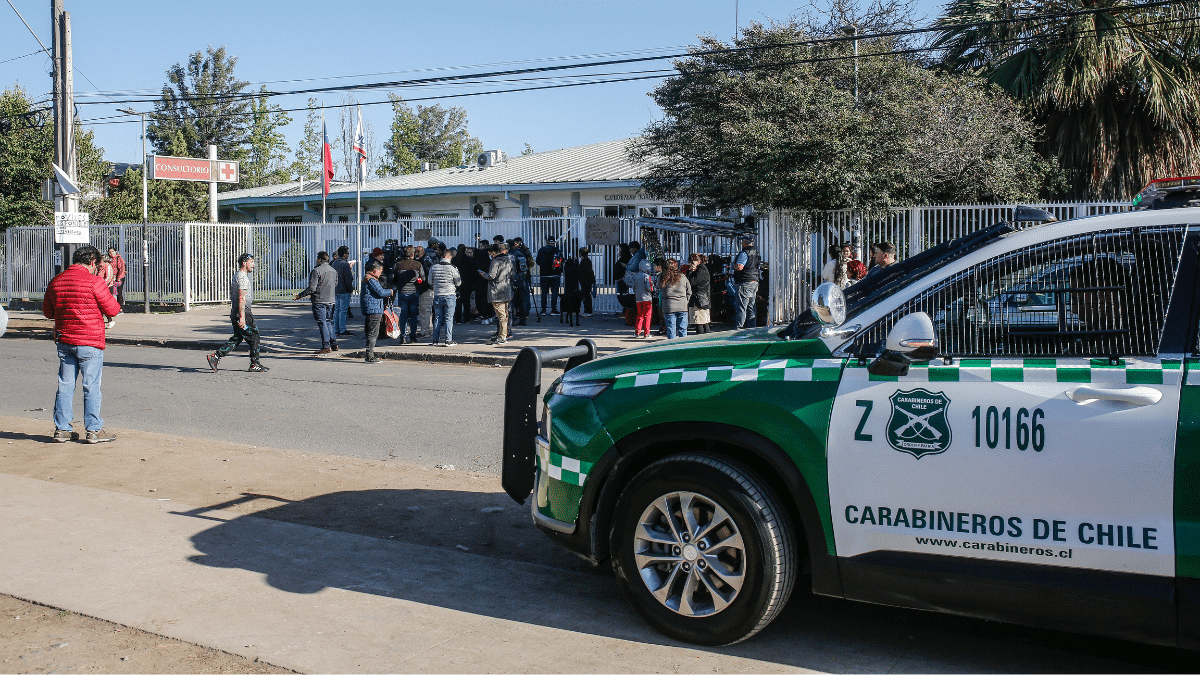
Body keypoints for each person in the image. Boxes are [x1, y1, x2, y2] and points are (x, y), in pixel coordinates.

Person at [42, 244, 121, 443]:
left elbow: (48, 312)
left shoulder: (56, 282)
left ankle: (62, 430)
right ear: (93, 262)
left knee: (65, 385)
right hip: (90, 341)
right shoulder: (94, 282)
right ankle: (93, 430)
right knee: (91, 386)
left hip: (65, 340)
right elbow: (112, 309)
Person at [208, 253, 268, 373]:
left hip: (236, 312)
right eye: (251, 262)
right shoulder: (242, 277)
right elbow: (241, 298)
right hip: (242, 313)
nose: (253, 265)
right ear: (244, 263)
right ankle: (254, 364)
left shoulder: (238, 275)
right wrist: (242, 317)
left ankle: (215, 357)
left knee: (238, 338)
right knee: (255, 336)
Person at [294, 251, 339, 354]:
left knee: (322, 323)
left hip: (320, 300)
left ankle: (326, 346)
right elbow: (335, 284)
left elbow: (312, 288)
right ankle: (334, 343)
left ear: (319, 259)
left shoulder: (316, 271)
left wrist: (300, 295)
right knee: (328, 322)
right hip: (331, 300)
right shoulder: (333, 271)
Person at [480, 242, 514, 344]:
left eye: (490, 253)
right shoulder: (509, 260)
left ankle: (502, 337)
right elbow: (512, 274)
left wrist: (483, 274)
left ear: (494, 253)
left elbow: (491, 276)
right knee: (505, 315)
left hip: (497, 291)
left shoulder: (495, 262)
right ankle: (502, 335)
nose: (490, 255)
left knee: (501, 316)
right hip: (506, 290)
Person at [360, 259, 392, 364]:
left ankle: (370, 355)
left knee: (372, 333)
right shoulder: (371, 280)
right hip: (374, 309)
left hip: (372, 308)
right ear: (374, 271)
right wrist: (390, 291)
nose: (380, 273)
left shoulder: (368, 279)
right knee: (373, 334)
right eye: (379, 271)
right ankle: (369, 356)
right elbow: (381, 292)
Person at [428, 247, 461, 346]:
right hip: (450, 295)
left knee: (437, 318)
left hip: (437, 294)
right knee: (449, 318)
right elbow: (458, 283)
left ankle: (435, 340)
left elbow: (429, 281)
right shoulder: (453, 268)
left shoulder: (433, 267)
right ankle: (448, 340)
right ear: (449, 257)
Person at [392, 246, 423, 344]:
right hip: (414, 292)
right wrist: (418, 282)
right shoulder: (417, 264)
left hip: (402, 292)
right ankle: (413, 336)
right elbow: (423, 278)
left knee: (403, 316)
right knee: (413, 315)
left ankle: (403, 337)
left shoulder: (398, 265)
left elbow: (393, 278)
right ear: (413, 254)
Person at [732, 235, 761, 329]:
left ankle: (739, 328)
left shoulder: (744, 253)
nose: (741, 243)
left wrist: (734, 265)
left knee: (741, 307)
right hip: (754, 282)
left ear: (745, 242)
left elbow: (740, 267)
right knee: (751, 306)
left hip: (745, 282)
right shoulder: (756, 253)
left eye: (742, 242)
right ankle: (752, 328)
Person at [659, 258, 692, 339]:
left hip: (669, 306)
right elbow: (689, 291)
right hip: (682, 306)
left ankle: (672, 348)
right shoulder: (682, 277)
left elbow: (659, 289)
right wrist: (685, 301)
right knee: (683, 329)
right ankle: (683, 348)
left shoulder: (662, 278)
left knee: (671, 329)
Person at [330, 246, 356, 336]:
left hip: (336, 289)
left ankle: (336, 329)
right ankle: (342, 329)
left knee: (337, 310)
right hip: (344, 290)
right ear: (344, 255)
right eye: (348, 253)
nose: (348, 255)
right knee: (343, 310)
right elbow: (348, 278)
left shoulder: (334, 263)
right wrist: (350, 289)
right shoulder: (345, 264)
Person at [535, 235, 563, 315]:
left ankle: (543, 310)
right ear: (554, 242)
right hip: (555, 274)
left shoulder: (541, 250)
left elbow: (538, 261)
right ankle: (553, 309)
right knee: (554, 293)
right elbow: (560, 261)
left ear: (547, 241)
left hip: (544, 274)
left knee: (544, 292)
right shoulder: (557, 250)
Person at [687, 253, 712, 334]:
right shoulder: (702, 270)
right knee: (703, 322)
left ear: (698, 261)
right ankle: (707, 341)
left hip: (699, 299)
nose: (690, 264)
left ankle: (702, 341)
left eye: (692, 262)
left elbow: (691, 282)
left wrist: (690, 272)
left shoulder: (701, 271)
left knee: (699, 322)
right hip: (702, 298)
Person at [630, 259, 655, 339]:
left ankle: (637, 332)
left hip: (638, 298)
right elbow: (650, 288)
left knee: (640, 315)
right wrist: (653, 286)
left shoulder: (635, 276)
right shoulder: (647, 277)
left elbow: (633, 288)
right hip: (647, 299)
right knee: (647, 316)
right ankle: (646, 333)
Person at [510, 237, 532, 325]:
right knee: (522, 299)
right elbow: (530, 264)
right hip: (522, 279)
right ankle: (523, 319)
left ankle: (514, 319)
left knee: (513, 301)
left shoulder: (508, 255)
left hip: (512, 280)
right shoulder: (522, 254)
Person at [416, 244, 435, 338]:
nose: (417, 253)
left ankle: (425, 330)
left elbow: (426, 277)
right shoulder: (427, 260)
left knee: (424, 311)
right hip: (429, 289)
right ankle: (429, 329)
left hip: (426, 289)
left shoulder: (424, 261)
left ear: (423, 252)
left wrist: (422, 287)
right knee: (427, 311)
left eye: (418, 251)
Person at [577, 246, 596, 317]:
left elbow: (586, 272)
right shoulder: (587, 260)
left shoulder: (584, 261)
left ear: (580, 253)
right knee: (587, 295)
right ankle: (588, 310)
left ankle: (588, 311)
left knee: (586, 296)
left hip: (585, 281)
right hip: (587, 281)